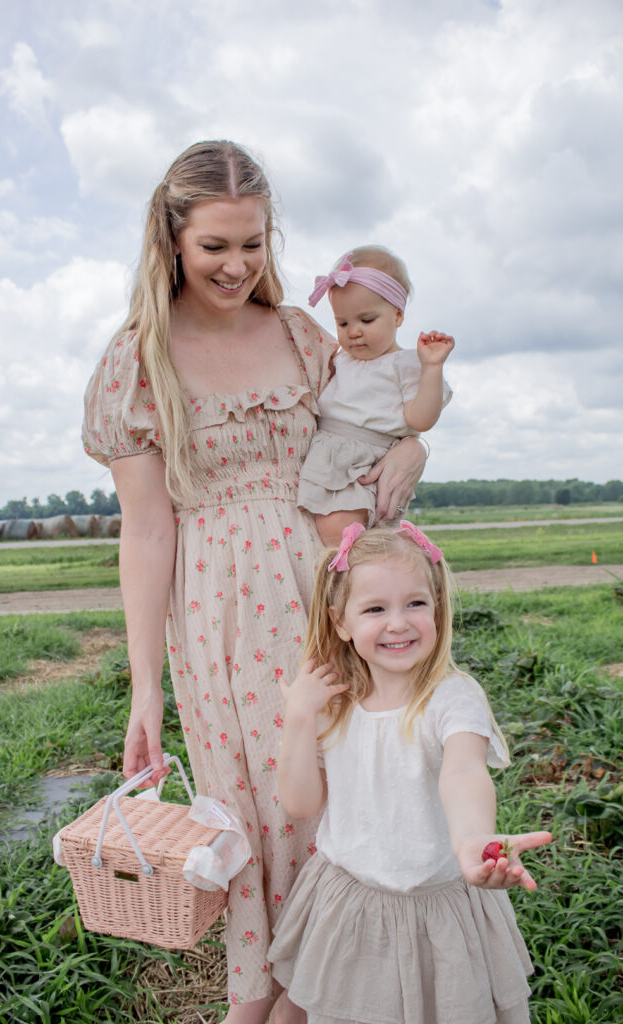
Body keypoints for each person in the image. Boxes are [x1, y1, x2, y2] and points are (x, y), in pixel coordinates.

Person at [81, 140, 428, 1024]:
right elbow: (148, 529)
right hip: (219, 613)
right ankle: (264, 998)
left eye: (253, 244)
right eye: (215, 247)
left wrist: (411, 443)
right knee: (258, 808)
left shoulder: (306, 335)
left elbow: (372, 425)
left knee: (344, 799)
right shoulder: (136, 361)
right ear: (170, 242)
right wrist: (144, 687)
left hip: (328, 590)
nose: (236, 266)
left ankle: (322, 993)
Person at [269, 522, 552, 1024]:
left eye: (416, 604)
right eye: (375, 609)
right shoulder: (335, 704)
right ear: (340, 622)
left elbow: (464, 773)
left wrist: (473, 840)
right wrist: (298, 717)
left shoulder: (452, 697)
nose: (398, 623)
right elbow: (300, 804)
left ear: (437, 609)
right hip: (352, 905)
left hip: (441, 904)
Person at [297, 246, 454, 546]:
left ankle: (353, 579)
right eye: (343, 323)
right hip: (327, 456)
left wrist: (431, 368)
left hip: (367, 462)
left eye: (366, 320)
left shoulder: (406, 363)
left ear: (397, 316)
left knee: (343, 534)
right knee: (325, 535)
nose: (353, 332)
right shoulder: (340, 360)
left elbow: (420, 419)